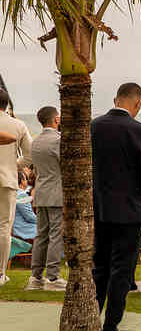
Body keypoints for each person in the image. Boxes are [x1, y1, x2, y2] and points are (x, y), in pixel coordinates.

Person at [92, 83, 141, 331]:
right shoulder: (140, 130)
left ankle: (91, 318)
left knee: (100, 265)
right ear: (138, 103)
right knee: (122, 269)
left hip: (101, 207)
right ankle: (110, 325)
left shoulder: (94, 126)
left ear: (115, 99)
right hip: (130, 209)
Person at [27, 106, 65, 291]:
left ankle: (35, 277)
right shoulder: (57, 141)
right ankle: (52, 277)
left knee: (41, 235)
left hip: (40, 192)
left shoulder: (36, 142)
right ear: (56, 119)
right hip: (56, 192)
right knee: (55, 235)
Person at [0, 88, 32, 287]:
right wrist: (15, 165)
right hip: (7, 178)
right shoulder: (18, 125)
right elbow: (29, 155)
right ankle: (1, 273)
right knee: (4, 227)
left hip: (8, 177)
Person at [13, 169, 36, 240]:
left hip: (16, 227)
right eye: (26, 179)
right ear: (22, 181)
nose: (27, 181)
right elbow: (29, 217)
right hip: (23, 229)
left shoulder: (13, 193)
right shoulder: (21, 194)